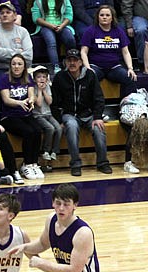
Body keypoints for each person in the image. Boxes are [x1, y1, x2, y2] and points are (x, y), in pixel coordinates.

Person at [51, 48, 112, 176]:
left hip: (89, 114)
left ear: (80, 62)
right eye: (69, 60)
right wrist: (60, 120)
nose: (72, 63)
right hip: (69, 115)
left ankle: (103, 163)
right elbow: (54, 103)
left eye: (75, 60)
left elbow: (99, 98)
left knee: (99, 130)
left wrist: (97, 117)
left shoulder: (90, 75)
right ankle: (75, 164)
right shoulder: (59, 77)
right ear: (65, 62)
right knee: (71, 127)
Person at [0, 54, 44, 180]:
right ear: (10, 66)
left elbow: (31, 95)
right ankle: (26, 164)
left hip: (25, 114)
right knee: (28, 132)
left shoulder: (27, 77)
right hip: (9, 116)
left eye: (19, 64)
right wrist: (20, 102)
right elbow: (6, 99)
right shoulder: (4, 78)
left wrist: (30, 100)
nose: (16, 66)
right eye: (14, 64)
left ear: (24, 66)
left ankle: (34, 163)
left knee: (38, 130)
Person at [80, 5, 137, 97]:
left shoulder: (118, 31)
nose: (104, 17)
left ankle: (130, 106)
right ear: (98, 17)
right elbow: (83, 52)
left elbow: (125, 52)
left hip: (114, 67)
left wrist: (130, 68)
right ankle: (91, 108)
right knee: (89, 78)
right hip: (96, 66)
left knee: (130, 77)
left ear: (112, 18)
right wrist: (88, 68)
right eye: (102, 15)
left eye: (107, 15)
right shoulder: (90, 31)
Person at [0, 2, 33, 89]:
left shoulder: (23, 31)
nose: (4, 15)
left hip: (19, 68)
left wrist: (3, 50)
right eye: (2, 13)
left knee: (29, 85)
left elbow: (29, 55)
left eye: (8, 12)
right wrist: (18, 52)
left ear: (15, 15)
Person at [31, 0, 77, 75]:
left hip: (62, 25)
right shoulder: (38, 1)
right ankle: (56, 67)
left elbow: (69, 16)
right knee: (51, 42)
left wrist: (61, 26)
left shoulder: (65, 1)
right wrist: (51, 26)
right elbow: (36, 18)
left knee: (70, 39)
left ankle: (69, 62)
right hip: (45, 26)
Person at [119, 0, 148, 71]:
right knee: (141, 30)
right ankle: (143, 63)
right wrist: (129, 25)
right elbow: (127, 5)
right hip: (139, 17)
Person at [30, 65, 62, 162]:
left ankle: (54, 151)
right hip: (38, 115)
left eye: (44, 77)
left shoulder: (48, 87)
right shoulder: (33, 88)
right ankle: (45, 151)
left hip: (48, 114)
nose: (42, 79)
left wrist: (44, 90)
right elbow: (39, 103)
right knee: (50, 128)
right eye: (39, 77)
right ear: (34, 79)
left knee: (59, 128)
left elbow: (50, 102)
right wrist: (39, 91)